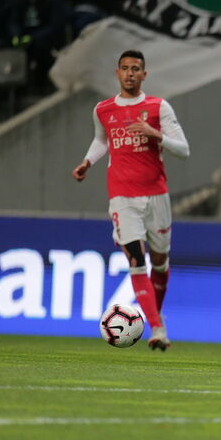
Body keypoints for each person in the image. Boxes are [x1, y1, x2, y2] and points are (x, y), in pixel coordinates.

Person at [71, 50, 190, 350]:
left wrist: (154, 133)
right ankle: (157, 328)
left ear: (144, 74)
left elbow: (183, 150)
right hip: (122, 196)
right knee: (137, 260)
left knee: (160, 261)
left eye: (136, 68)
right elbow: (102, 139)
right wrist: (88, 162)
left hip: (156, 195)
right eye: (125, 68)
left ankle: (155, 312)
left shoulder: (157, 107)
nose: (130, 74)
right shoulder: (103, 109)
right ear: (117, 73)